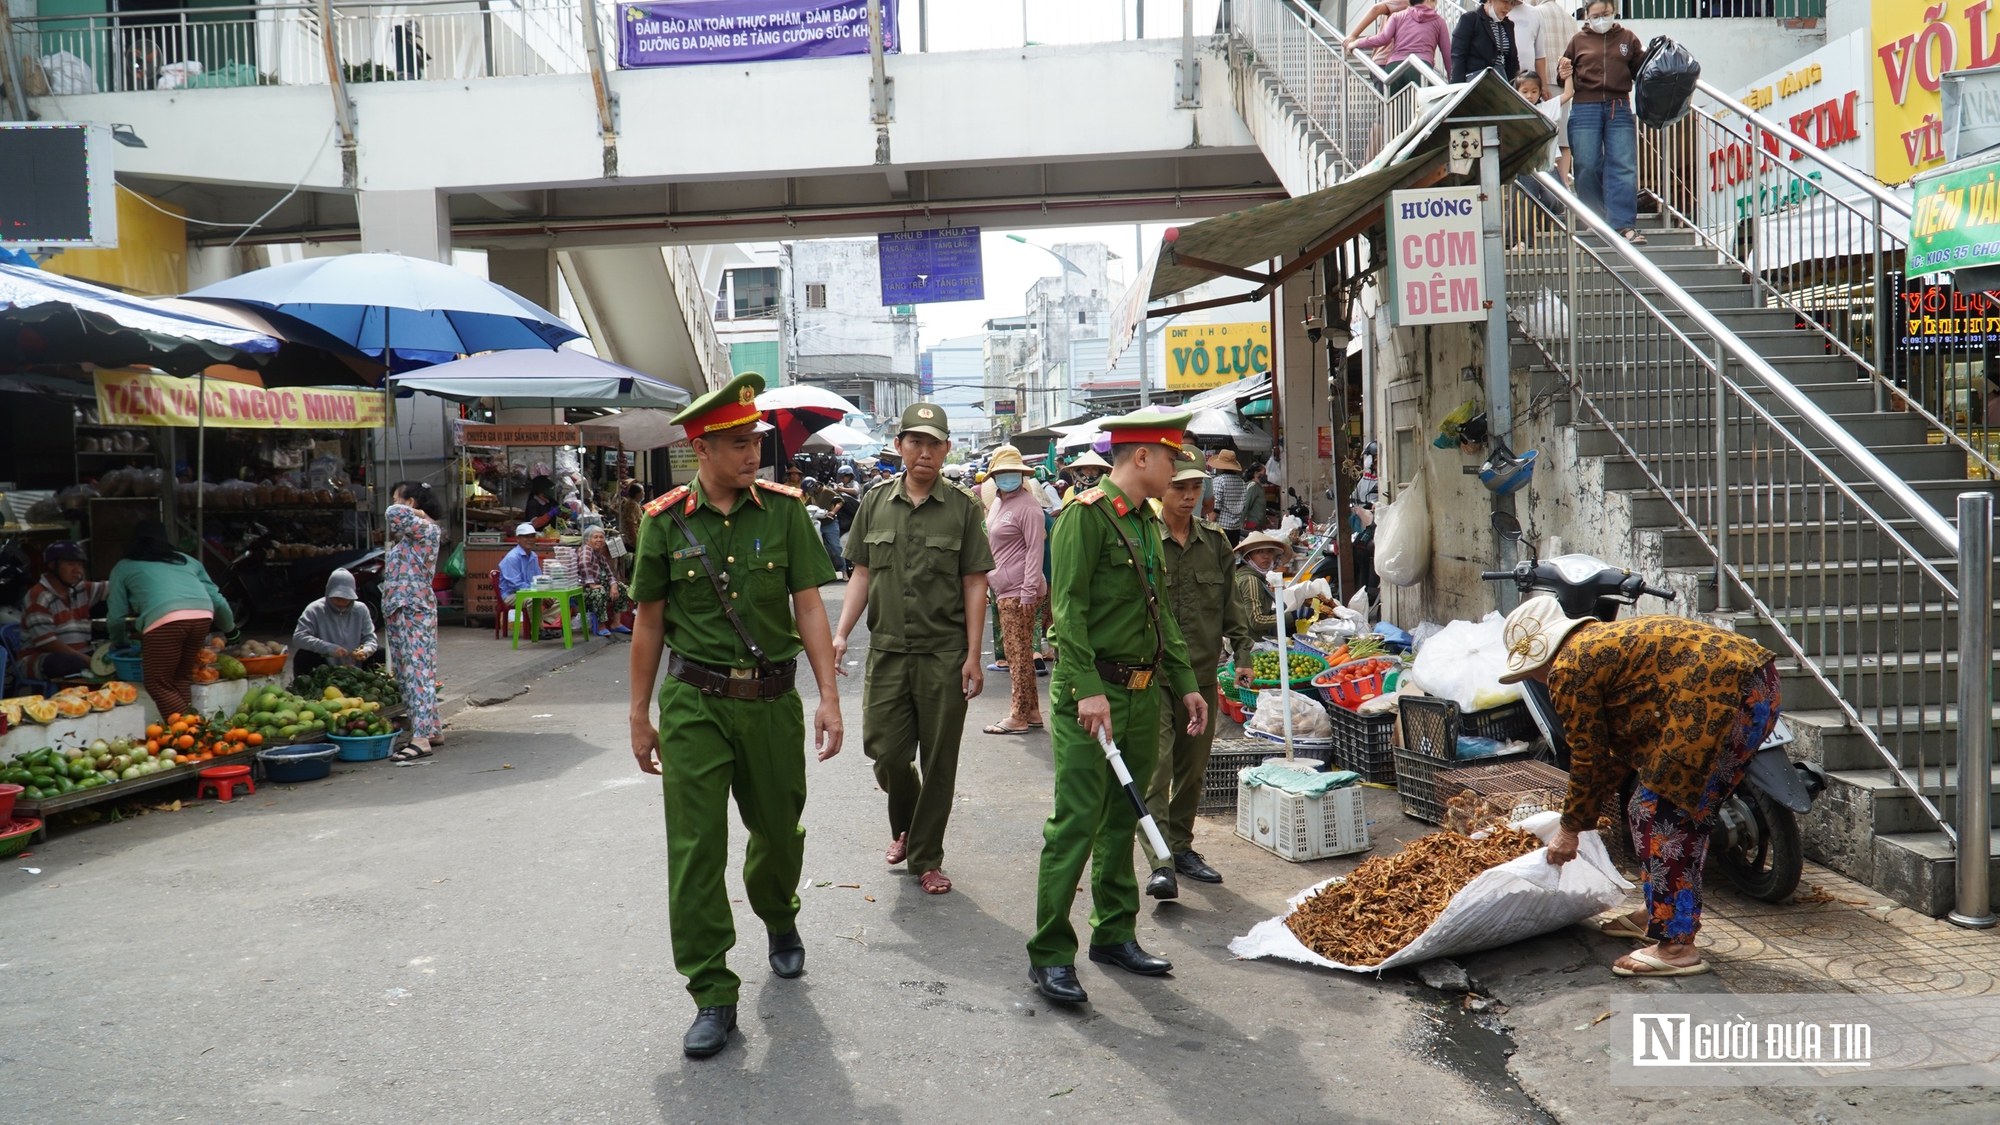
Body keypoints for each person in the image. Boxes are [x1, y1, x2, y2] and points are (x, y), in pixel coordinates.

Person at [626, 372, 842, 1060]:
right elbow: (648, 621)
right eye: (736, 442)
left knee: (779, 833)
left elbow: (809, 605)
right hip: (693, 703)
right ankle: (713, 990)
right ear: (701, 448)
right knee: (694, 849)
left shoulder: (784, 511)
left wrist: (829, 695)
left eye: (754, 439)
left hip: (772, 700)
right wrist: (638, 712)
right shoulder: (664, 521)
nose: (753, 452)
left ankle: (778, 914)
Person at [1498, 596, 1779, 978]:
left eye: (1532, 671)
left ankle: (1677, 946)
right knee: (1664, 804)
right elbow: (1611, 756)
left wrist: (1569, 829)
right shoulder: (1594, 644)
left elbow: (1588, 757)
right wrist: (1586, 814)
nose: (1536, 679)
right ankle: (1660, 910)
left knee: (1660, 811)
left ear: (1543, 657)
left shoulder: (1568, 667)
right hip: (1756, 684)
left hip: (1723, 695)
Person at [1029, 409, 1208, 1007]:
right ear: (1141, 458)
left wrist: (1184, 682)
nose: (1177, 471)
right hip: (1092, 696)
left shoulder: (1143, 524)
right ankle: (1051, 953)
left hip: (1138, 693)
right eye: (1170, 459)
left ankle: (1113, 935)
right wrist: (1085, 688)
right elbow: (1068, 612)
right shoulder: (1084, 518)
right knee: (1076, 821)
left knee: (1120, 821)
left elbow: (1159, 616)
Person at [832, 403, 994, 896]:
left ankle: (925, 855)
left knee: (939, 760)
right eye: (915, 442)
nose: (924, 452)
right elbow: (861, 572)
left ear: (946, 450)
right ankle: (908, 824)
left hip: (944, 653)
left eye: (934, 443)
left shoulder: (963, 509)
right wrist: (841, 634)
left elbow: (974, 583)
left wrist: (972, 655)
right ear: (900, 445)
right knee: (885, 752)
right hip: (887, 652)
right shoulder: (876, 501)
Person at [1145, 452, 1255, 901]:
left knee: (1192, 771)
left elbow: (1231, 604)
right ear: (1162, 488)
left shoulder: (1214, 543)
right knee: (1157, 770)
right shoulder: (1144, 536)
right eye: (1179, 487)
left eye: (1195, 488)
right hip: (1152, 677)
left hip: (1203, 675)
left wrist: (1243, 651)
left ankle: (1182, 846)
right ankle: (1160, 862)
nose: (1189, 497)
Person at [106, 520, 234, 719]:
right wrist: (231, 630)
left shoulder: (123, 567)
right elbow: (217, 599)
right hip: (202, 615)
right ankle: (194, 734)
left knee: (157, 683)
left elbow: (116, 616)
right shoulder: (187, 561)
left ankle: (189, 735)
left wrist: (120, 642)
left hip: (166, 620)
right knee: (180, 678)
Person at [1560, 0, 1648, 243]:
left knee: (1623, 165)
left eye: (1606, 14)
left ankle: (1622, 224)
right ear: (1586, 16)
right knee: (1586, 165)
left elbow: (1640, 69)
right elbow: (1563, 78)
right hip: (1584, 106)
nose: (1601, 19)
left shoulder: (1628, 38)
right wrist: (1563, 72)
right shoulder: (1578, 40)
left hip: (1618, 105)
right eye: (1595, 15)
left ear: (1614, 12)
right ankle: (1595, 219)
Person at [982, 445, 1049, 736]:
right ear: (994, 477)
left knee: (1018, 656)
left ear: (1021, 475)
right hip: (1005, 588)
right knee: (1017, 652)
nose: (1008, 477)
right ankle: (1031, 712)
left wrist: (1027, 591)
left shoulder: (1028, 506)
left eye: (1013, 472)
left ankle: (1017, 716)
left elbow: (1036, 552)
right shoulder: (998, 503)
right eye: (1002, 472)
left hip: (1021, 590)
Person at [384, 481, 443, 760]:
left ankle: (420, 738)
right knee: (412, 671)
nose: (394, 502)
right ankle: (432, 729)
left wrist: (416, 513)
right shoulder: (415, 535)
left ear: (409, 503)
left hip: (412, 608)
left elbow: (391, 514)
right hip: (402, 608)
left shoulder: (426, 529)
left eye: (398, 498)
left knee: (417, 672)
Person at [19, 541, 108, 680]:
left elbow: (113, 587)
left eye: (80, 565)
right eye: (70, 564)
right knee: (69, 663)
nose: (77, 570)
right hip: (40, 658)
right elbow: (48, 643)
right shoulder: (38, 596)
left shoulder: (81, 589)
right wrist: (88, 661)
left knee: (113, 656)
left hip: (79, 653)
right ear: (52, 565)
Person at [292, 569, 380, 679]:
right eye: (338, 599)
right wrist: (328, 648)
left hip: (357, 667)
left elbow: (370, 638)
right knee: (303, 656)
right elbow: (299, 637)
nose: (342, 604)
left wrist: (365, 651)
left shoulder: (360, 609)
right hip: (325, 667)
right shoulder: (314, 609)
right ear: (328, 594)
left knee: (380, 653)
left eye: (346, 599)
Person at [1345, 0, 1450, 87]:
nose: (1435, 7)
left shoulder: (1397, 16)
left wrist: (1358, 42)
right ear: (1428, 1)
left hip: (1394, 67)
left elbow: (1383, 38)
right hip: (1420, 66)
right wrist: (1453, 81)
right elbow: (1447, 55)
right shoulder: (1439, 21)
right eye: (1435, 3)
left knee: (1392, 109)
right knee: (1424, 106)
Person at [497, 522, 560, 635]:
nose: (530, 540)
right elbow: (516, 585)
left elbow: (539, 579)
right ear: (518, 539)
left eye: (532, 537)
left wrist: (544, 592)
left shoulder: (533, 556)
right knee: (532, 600)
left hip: (530, 591)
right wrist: (538, 594)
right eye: (526, 537)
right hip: (512, 594)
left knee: (558, 597)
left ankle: (542, 623)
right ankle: (538, 630)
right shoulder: (512, 558)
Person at [1232, 530, 1294, 642]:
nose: (1266, 556)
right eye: (1259, 552)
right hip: (1250, 644)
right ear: (1247, 557)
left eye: (1270, 551)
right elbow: (1256, 621)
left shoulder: (1257, 578)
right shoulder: (1251, 580)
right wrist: (1292, 617)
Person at [1450, 0, 1520, 84]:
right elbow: (1458, 55)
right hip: (1475, 84)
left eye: (1512, 3)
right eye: (1505, 1)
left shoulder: (1508, 25)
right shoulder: (1470, 19)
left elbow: (1513, 60)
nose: (1509, 7)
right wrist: (1458, 86)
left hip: (1501, 85)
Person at [577, 526, 626, 638]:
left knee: (621, 588)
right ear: (587, 540)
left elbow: (609, 573)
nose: (599, 540)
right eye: (595, 537)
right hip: (582, 590)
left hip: (595, 587)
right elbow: (584, 564)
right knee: (599, 592)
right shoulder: (586, 549)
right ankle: (601, 626)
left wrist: (613, 584)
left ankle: (616, 623)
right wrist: (591, 584)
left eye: (601, 537)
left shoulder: (599, 554)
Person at [803, 475, 849, 578]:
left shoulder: (826, 491)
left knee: (835, 546)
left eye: (810, 490)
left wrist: (833, 512)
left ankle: (844, 571)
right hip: (817, 522)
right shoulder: (813, 495)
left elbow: (840, 500)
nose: (809, 493)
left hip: (829, 523)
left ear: (815, 486)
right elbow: (804, 505)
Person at [1208, 449, 1249, 544]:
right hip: (1235, 528)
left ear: (1221, 466)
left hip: (1221, 528)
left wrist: (1208, 526)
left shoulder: (1219, 481)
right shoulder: (1241, 482)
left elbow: (1215, 508)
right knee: (1231, 556)